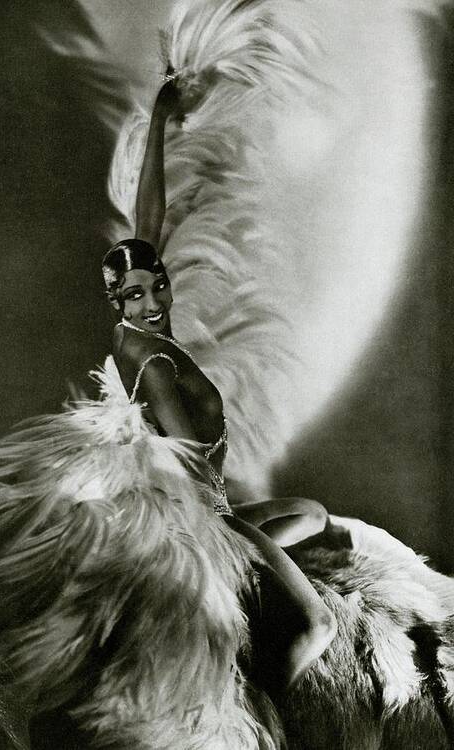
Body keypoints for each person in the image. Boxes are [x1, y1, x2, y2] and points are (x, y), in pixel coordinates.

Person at [102, 77, 336, 697]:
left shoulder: (150, 327)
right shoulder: (148, 360)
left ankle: (255, 576)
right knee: (315, 627)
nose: (153, 302)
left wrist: (158, 117)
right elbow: (192, 471)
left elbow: (146, 220)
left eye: (158, 286)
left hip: (213, 509)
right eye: (136, 296)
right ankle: (258, 722)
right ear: (116, 303)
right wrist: (226, 543)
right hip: (198, 520)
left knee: (311, 516)